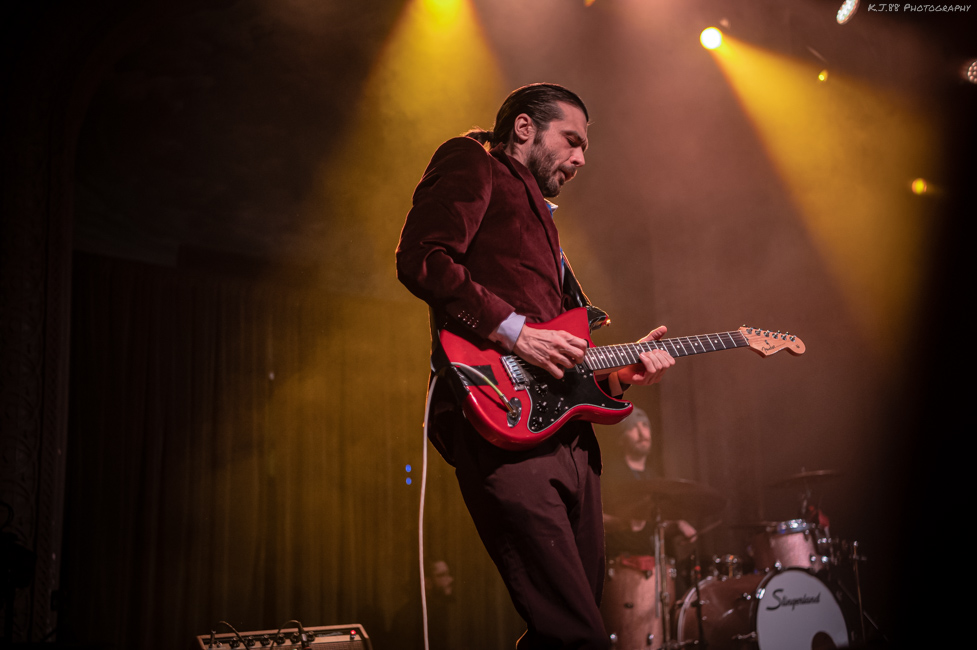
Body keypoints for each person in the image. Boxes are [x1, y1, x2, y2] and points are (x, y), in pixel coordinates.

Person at [396, 83, 675, 649]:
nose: (579, 159)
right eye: (571, 141)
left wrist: (617, 377)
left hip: (569, 436)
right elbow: (422, 257)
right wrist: (514, 332)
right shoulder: (474, 163)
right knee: (577, 633)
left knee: (569, 628)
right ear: (524, 128)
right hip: (502, 417)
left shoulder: (547, 226)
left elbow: (563, 346)